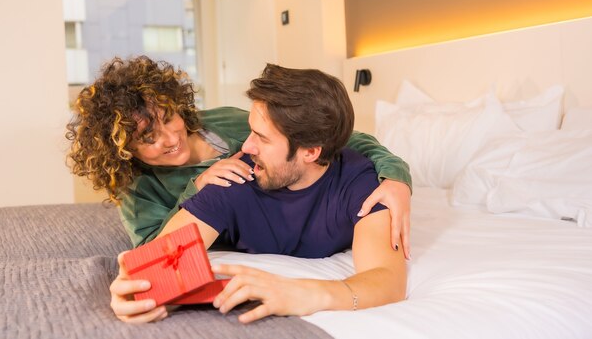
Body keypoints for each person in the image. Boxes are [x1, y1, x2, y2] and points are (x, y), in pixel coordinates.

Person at [110, 64, 407, 324]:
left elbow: (388, 280)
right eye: (250, 131)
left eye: (261, 138)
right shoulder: (231, 180)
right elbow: (151, 275)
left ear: (311, 151)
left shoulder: (359, 181)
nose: (245, 147)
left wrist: (308, 292)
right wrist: (130, 293)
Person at [66, 56, 412, 258]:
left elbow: (343, 138)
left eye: (169, 118)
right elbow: (155, 253)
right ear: (124, 149)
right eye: (148, 138)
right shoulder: (137, 187)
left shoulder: (223, 120)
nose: (172, 138)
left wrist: (396, 176)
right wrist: (196, 188)